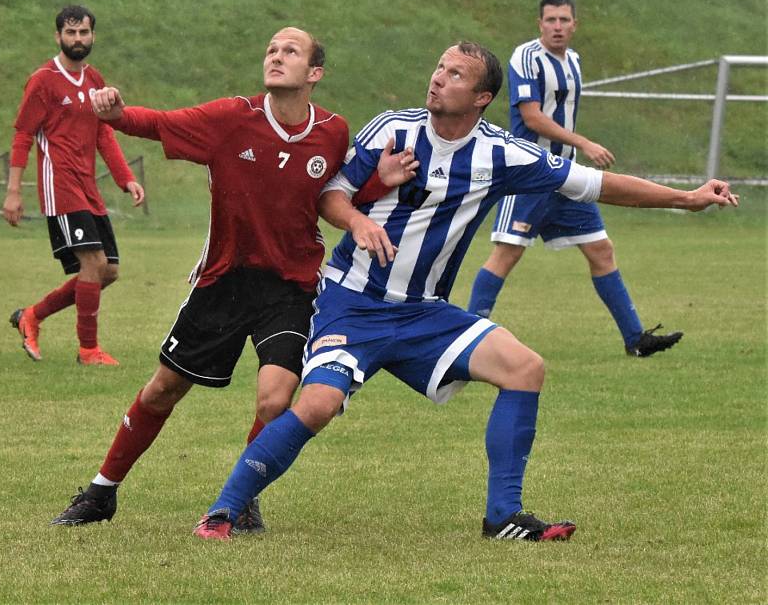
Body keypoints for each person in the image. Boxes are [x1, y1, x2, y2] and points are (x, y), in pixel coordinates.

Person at [195, 41, 737, 541]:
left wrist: (686, 199)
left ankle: (503, 516)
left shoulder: (502, 154)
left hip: (424, 314)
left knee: (525, 368)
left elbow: (596, 184)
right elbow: (330, 195)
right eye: (439, 67)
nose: (438, 79)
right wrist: (358, 223)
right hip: (351, 303)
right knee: (314, 406)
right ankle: (223, 512)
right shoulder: (393, 130)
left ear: (481, 97)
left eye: (455, 74)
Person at [49, 26, 400, 533]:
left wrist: (376, 181)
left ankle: (243, 495)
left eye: (290, 51)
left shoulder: (333, 131)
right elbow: (157, 122)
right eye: (271, 50)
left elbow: (331, 196)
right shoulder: (232, 118)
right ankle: (102, 491)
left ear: (314, 73)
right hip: (225, 278)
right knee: (161, 391)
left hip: (292, 285)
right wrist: (116, 114)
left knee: (276, 398)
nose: (276, 57)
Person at [466, 0, 682, 357]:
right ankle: (465, 339)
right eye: (551, 20)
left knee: (601, 250)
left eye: (564, 20)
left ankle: (636, 340)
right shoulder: (526, 56)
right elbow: (531, 117)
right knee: (507, 254)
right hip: (530, 173)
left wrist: (574, 149)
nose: (557, 27)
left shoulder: (574, 62)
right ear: (540, 24)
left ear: (574, 25)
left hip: (566, 178)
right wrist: (584, 142)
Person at [4, 5, 145, 366]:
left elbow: (104, 134)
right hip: (60, 186)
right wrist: (14, 191)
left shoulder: (95, 80)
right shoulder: (44, 80)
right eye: (70, 33)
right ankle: (88, 351)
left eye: (83, 33)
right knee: (93, 263)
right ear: (58, 37)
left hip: (88, 189)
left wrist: (125, 178)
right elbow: (23, 135)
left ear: (92, 36)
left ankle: (32, 315)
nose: (77, 39)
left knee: (108, 271)